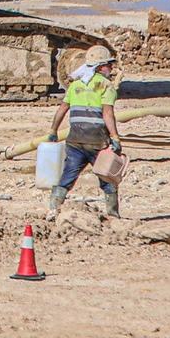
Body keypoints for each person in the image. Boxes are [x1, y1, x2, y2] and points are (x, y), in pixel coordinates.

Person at [46, 44, 123, 217]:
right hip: (97, 141)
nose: (111, 69)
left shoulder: (75, 86)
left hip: (75, 140)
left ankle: (53, 208)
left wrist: (53, 130)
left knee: (68, 176)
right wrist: (115, 137)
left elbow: (62, 109)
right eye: (108, 65)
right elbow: (108, 114)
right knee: (107, 177)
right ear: (100, 66)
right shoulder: (105, 85)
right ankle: (113, 214)